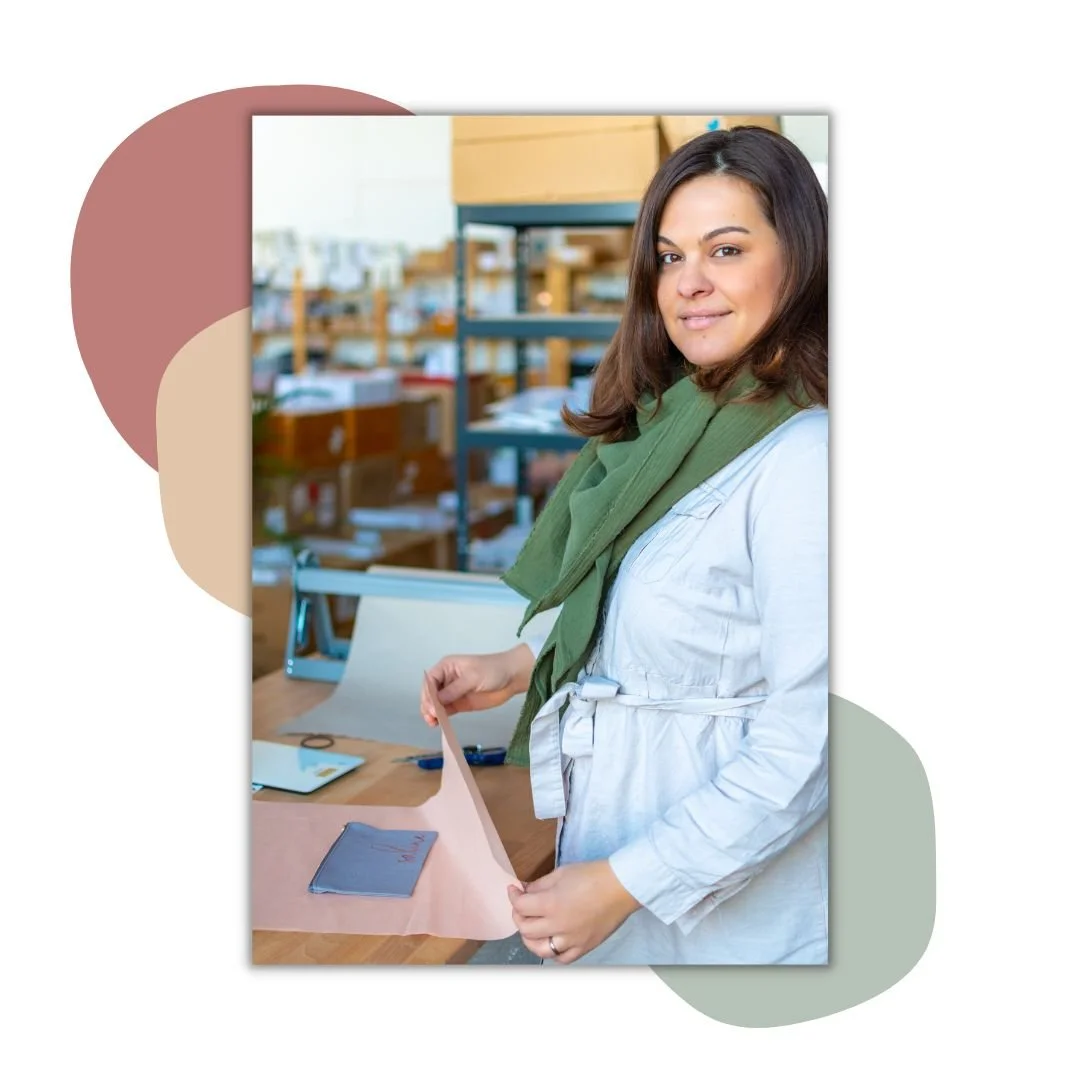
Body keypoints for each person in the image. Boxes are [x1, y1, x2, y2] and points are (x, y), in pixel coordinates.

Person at [420, 125, 828, 966]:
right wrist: (523, 662)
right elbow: (669, 612)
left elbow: (815, 740)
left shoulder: (804, 457)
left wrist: (625, 882)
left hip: (727, 928)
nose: (691, 285)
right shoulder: (675, 425)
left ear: (801, 259)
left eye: (725, 249)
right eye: (671, 258)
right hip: (620, 875)